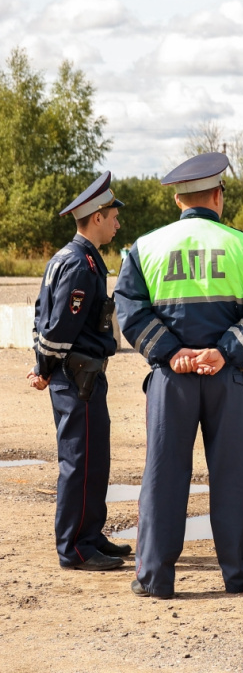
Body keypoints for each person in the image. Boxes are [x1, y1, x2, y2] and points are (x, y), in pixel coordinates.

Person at [114, 152, 243, 599]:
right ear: (218, 195)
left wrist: (172, 353)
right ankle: (240, 573)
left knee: (163, 474)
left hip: (172, 380)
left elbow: (129, 310)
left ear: (177, 199)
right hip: (228, 377)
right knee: (234, 475)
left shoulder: (145, 247)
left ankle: (154, 577)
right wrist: (224, 353)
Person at [29, 172, 128, 572]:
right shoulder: (80, 265)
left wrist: (42, 365)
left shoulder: (69, 257)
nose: (118, 223)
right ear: (96, 217)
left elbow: (40, 315)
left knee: (93, 460)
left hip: (79, 376)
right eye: (113, 217)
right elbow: (58, 328)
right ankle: (75, 548)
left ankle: (90, 534)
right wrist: (44, 367)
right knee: (80, 463)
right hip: (77, 378)